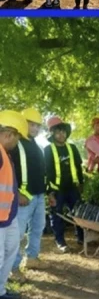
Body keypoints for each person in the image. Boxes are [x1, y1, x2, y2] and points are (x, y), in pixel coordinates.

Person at [10, 109, 46, 273]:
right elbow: (8, 172)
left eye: (38, 126)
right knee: (17, 233)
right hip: (23, 197)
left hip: (39, 195)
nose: (35, 129)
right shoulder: (14, 144)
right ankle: (13, 267)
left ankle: (32, 258)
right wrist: (17, 193)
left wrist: (48, 192)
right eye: (32, 125)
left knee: (38, 228)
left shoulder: (37, 146)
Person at [43, 116, 84, 254]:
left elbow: (78, 168)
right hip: (57, 190)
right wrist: (49, 192)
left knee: (78, 214)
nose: (61, 134)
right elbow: (46, 172)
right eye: (58, 132)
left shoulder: (72, 148)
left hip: (72, 188)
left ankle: (81, 237)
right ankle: (60, 241)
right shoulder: (48, 150)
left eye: (63, 131)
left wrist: (81, 183)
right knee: (57, 216)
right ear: (52, 134)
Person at [0, 111, 26, 299]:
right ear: (9, 134)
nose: (17, 143)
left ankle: (0, 291)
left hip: (8, 216)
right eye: (18, 139)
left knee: (9, 252)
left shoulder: (5, 154)